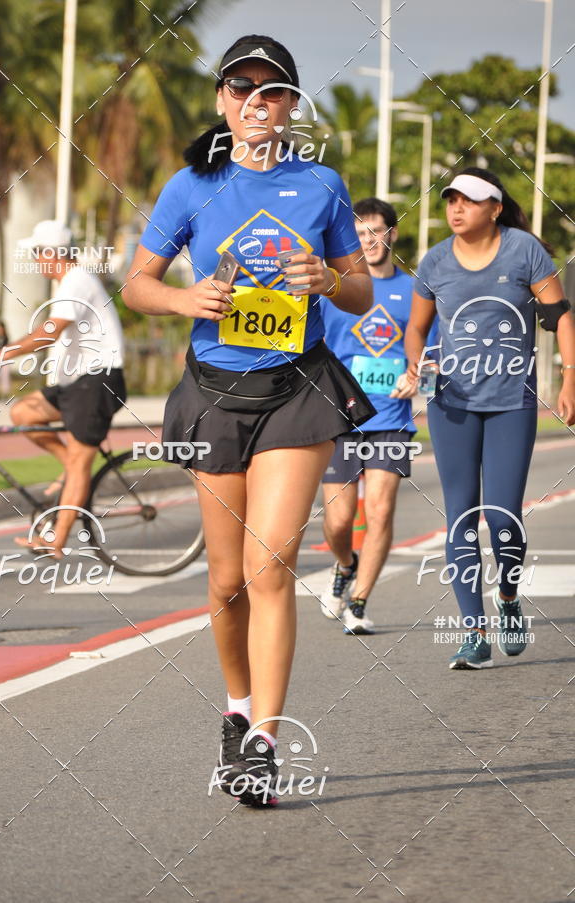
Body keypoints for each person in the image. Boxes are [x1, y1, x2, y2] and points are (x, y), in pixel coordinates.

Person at [122, 34, 374, 806]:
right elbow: (137, 283)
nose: (257, 103)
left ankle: (265, 738)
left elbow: (360, 291)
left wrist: (330, 277)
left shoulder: (323, 185)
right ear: (224, 100)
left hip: (298, 390)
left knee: (270, 569)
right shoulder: (190, 187)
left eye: (273, 92)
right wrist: (180, 300)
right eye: (243, 89)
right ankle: (235, 707)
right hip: (215, 392)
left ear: (292, 106)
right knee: (227, 582)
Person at [405, 168, 575, 670]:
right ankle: (473, 633)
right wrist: (419, 364)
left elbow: (560, 315)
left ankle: (507, 596)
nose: (457, 208)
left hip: (510, 403)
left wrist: (571, 378)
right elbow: (416, 329)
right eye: (451, 199)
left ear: (495, 208)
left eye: (470, 200)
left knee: (502, 516)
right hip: (451, 404)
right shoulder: (434, 260)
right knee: (460, 515)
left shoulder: (524, 251)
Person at [0, 220, 126, 558]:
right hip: (74, 383)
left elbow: (49, 332)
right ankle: (68, 469)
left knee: (81, 463)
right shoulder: (67, 284)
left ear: (52, 253)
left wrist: (6, 353)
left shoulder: (77, 281)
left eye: (37, 253)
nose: (35, 260)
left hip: (97, 381)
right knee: (23, 413)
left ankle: (56, 540)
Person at [319, 198, 419, 635]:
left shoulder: (415, 292)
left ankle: (358, 602)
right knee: (339, 519)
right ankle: (345, 564)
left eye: (378, 232)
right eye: (362, 233)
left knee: (379, 512)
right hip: (338, 417)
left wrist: (418, 375)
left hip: (391, 418)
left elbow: (429, 354)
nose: (371, 241)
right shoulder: (335, 288)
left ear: (391, 235)